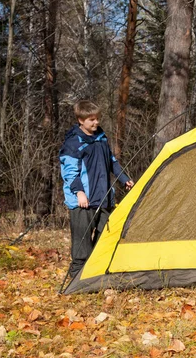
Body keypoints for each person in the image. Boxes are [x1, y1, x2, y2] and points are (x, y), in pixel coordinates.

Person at [59, 100, 134, 279]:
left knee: (105, 238)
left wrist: (124, 179)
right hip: (82, 201)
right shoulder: (73, 143)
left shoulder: (101, 138)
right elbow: (70, 173)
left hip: (104, 198)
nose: (96, 123)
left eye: (97, 119)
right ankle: (76, 278)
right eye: (91, 120)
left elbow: (111, 162)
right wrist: (79, 192)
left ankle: (95, 274)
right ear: (80, 120)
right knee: (81, 245)